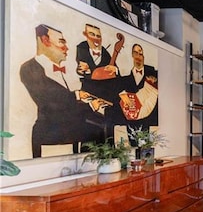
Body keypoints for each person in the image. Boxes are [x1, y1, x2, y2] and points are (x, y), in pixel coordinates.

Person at [20, 24, 111, 157]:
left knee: (103, 122)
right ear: (45, 41)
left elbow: (66, 98)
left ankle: (94, 166)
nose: (66, 47)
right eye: (61, 42)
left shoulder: (61, 68)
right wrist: (81, 98)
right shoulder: (29, 68)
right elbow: (49, 101)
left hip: (70, 120)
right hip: (51, 125)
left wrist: (87, 100)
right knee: (97, 128)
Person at [118, 43, 159, 129]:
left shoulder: (152, 72)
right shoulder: (125, 75)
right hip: (131, 120)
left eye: (140, 54)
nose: (138, 56)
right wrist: (122, 96)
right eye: (135, 53)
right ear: (132, 55)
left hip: (148, 119)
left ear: (143, 57)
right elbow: (116, 90)